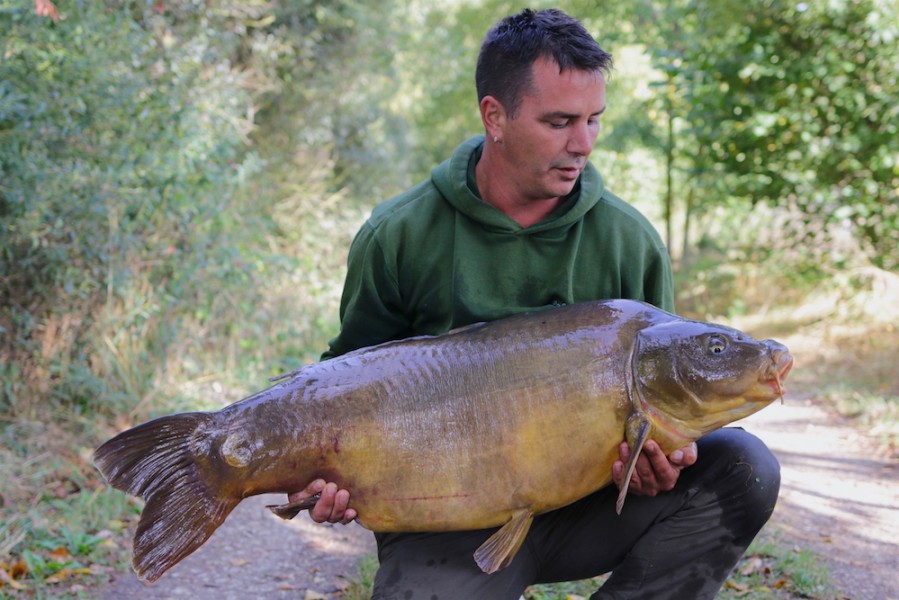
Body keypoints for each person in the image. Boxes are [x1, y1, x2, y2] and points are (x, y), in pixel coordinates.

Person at [288, 8, 780, 599]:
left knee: (744, 468)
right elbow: (345, 380)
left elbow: (662, 412)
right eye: (559, 122)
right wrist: (325, 475)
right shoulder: (399, 234)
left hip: (589, 505)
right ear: (494, 116)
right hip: (450, 516)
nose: (583, 144)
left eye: (595, 120)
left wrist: (657, 462)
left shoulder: (629, 240)